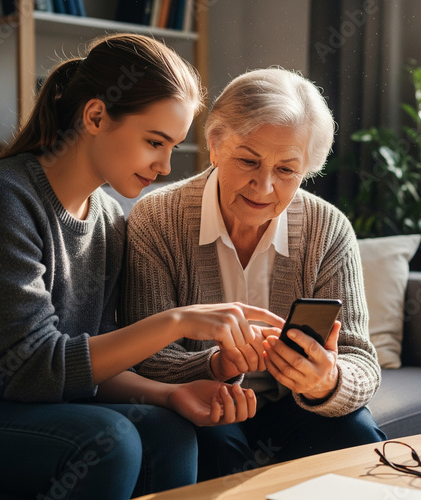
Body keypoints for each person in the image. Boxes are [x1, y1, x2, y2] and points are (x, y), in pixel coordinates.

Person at [0, 35, 285, 500]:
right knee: (111, 441)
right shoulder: (2, 196)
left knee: (170, 429)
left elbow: (92, 365)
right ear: (96, 116)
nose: (164, 166)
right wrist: (179, 320)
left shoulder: (108, 220)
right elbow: (32, 370)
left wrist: (169, 394)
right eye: (154, 142)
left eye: (174, 146)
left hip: (40, 408)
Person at [122, 67, 387, 481]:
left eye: (286, 170)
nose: (263, 187)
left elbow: (361, 362)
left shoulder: (328, 229)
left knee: (358, 435)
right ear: (214, 145)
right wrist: (215, 365)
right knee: (213, 450)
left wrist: (327, 381)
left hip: (295, 407)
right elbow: (143, 359)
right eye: (248, 160)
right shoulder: (157, 219)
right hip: (205, 402)